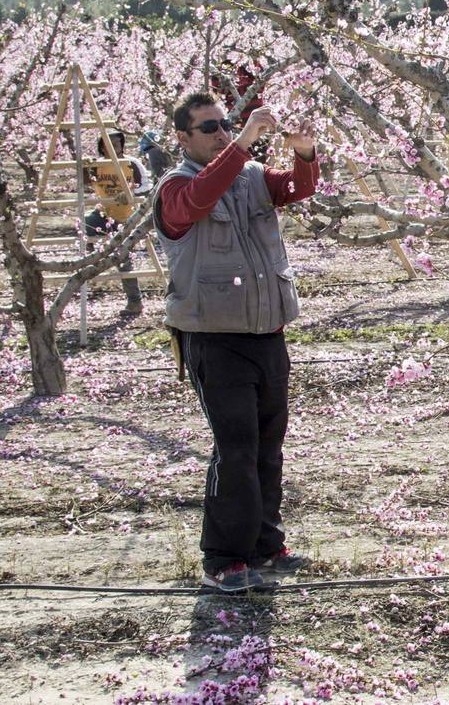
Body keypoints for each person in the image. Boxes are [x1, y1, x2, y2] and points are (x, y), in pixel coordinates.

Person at [153, 92, 319, 593]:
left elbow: (295, 188)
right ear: (182, 138)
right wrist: (245, 141)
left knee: (268, 446)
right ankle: (223, 557)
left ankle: (266, 546)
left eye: (226, 124)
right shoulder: (175, 187)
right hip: (214, 338)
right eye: (210, 128)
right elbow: (200, 199)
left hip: (267, 332)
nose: (223, 131)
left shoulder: (248, 175)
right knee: (237, 448)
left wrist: (305, 152)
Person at [82, 128, 150, 315]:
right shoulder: (97, 164)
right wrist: (84, 167)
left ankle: (134, 302)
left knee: (125, 260)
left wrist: (130, 194)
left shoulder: (131, 163)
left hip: (125, 217)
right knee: (85, 223)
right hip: (103, 214)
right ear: (101, 147)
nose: (113, 148)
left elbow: (146, 186)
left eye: (117, 144)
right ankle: (92, 258)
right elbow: (83, 182)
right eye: (108, 144)